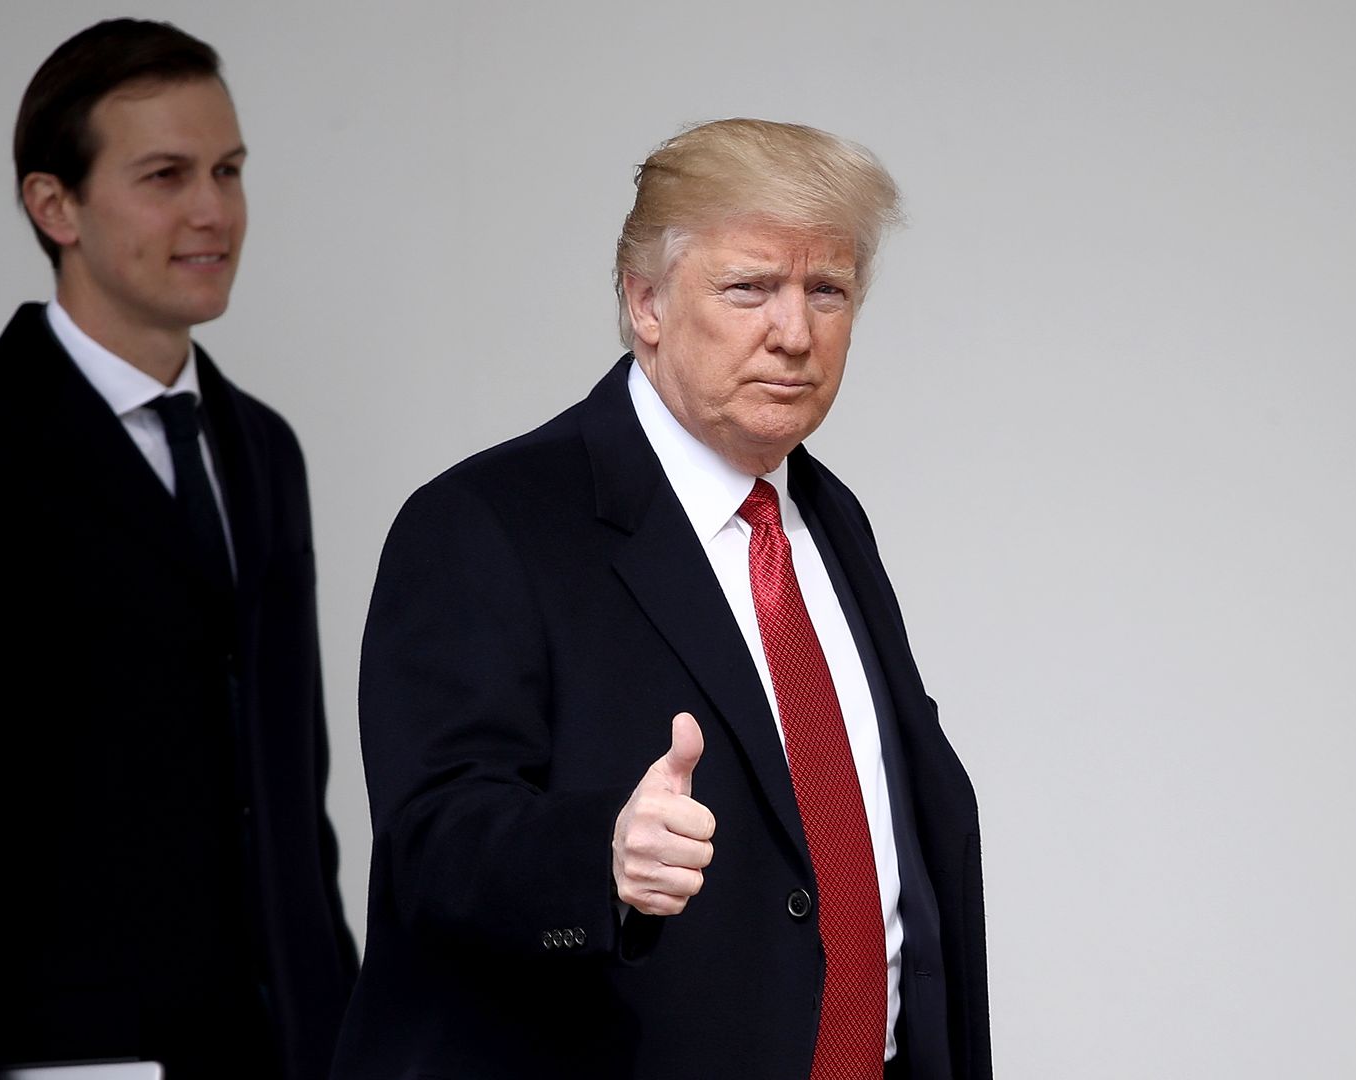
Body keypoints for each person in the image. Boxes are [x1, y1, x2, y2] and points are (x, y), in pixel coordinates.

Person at [331, 119, 989, 1080]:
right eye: (748, 288)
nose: (795, 333)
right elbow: (434, 845)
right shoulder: (484, 523)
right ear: (646, 303)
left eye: (827, 291)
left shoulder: (829, 518)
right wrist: (598, 853)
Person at [0, 19, 354, 1080]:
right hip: (68, 1060)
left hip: (285, 1054)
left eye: (228, 170)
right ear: (53, 204)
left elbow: (293, 800)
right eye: (165, 175)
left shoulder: (262, 452)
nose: (213, 210)